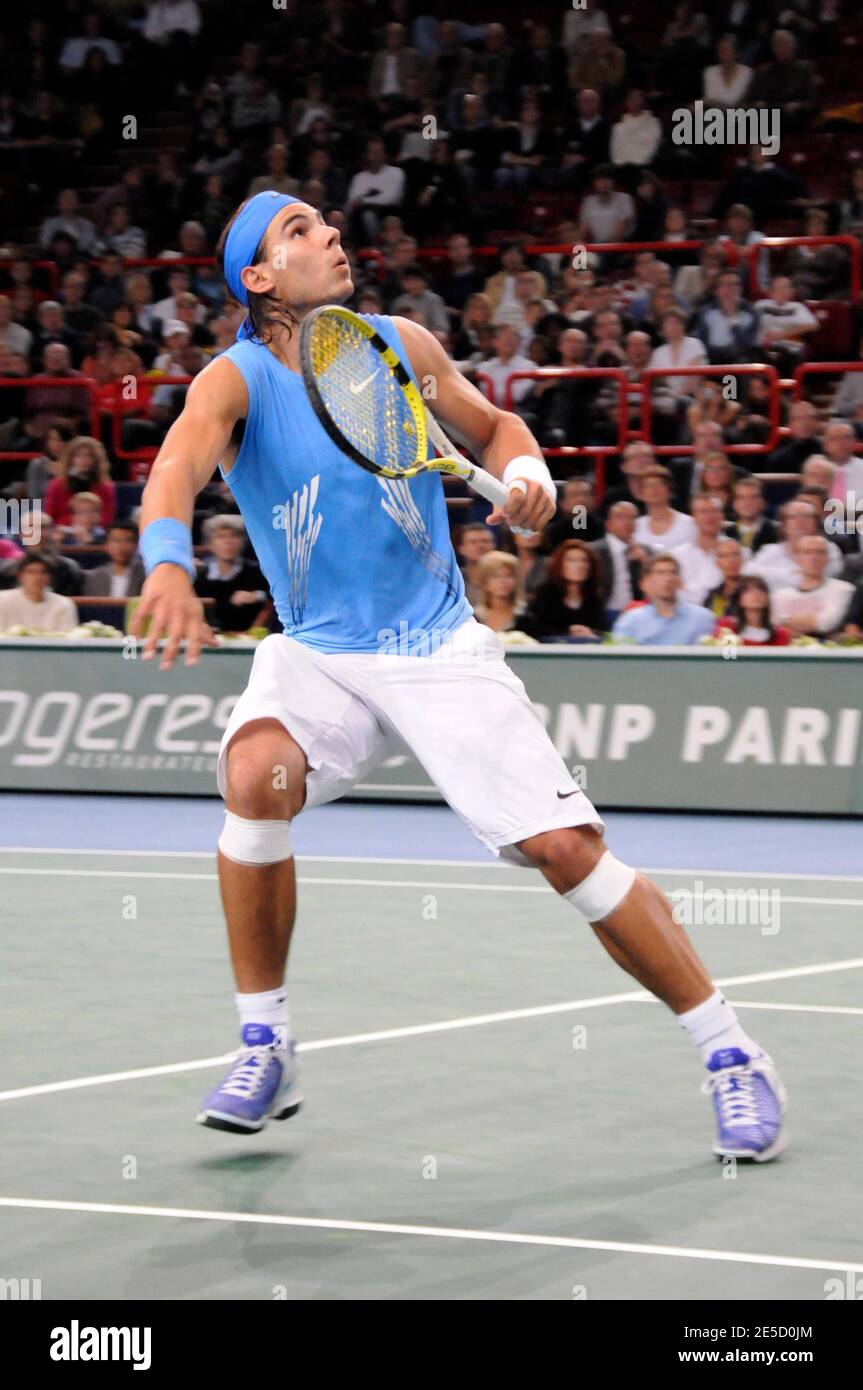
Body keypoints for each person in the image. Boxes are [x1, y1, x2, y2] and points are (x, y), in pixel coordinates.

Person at [130, 190, 787, 1158]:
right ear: (257, 278)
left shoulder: (396, 342)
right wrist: (169, 565)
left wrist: (528, 478)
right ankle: (265, 1040)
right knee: (252, 776)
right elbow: (174, 472)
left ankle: (731, 1052)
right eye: (299, 231)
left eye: (327, 222)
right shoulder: (231, 382)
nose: (331, 236)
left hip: (436, 644)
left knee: (567, 850)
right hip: (320, 650)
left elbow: (495, 431)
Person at [612, 552, 716, 645]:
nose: (668, 579)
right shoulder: (630, 622)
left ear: (680, 581)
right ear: (645, 584)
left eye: (673, 572)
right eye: (660, 573)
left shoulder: (703, 618)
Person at [771, 534, 855, 637]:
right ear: (797, 559)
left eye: (820, 552)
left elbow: (828, 623)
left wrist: (788, 623)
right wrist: (813, 620)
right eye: (807, 552)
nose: (814, 557)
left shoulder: (843, 589)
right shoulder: (780, 595)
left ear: (827, 558)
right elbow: (774, 627)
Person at [194, 515, 268, 632]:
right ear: (210, 544)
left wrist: (257, 596)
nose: (228, 542)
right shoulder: (199, 573)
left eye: (234, 536)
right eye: (221, 537)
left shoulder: (257, 571)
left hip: (248, 639)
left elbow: (273, 598)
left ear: (243, 542)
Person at [522, 539, 606, 640]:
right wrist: (568, 633)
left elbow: (603, 631)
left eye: (584, 560)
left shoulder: (595, 598)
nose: (580, 565)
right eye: (571, 560)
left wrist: (591, 633)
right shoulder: (545, 594)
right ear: (560, 565)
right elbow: (533, 629)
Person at [590, 500, 650, 623]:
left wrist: (645, 562)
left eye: (632, 518)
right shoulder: (593, 551)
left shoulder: (645, 552)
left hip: (635, 616)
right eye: (621, 517)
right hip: (600, 613)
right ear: (608, 524)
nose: (627, 522)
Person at [0, 553, 77, 632]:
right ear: (20, 576)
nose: (38, 577)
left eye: (43, 572)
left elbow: (68, 639)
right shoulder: (2, 600)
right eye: (31, 572)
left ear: (50, 577)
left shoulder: (64, 604)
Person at [714, 575, 792, 646]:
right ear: (739, 599)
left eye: (761, 589)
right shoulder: (727, 627)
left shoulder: (780, 634)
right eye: (748, 590)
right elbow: (727, 657)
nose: (756, 593)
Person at [471, 550, 532, 639]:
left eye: (508, 575)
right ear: (484, 582)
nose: (503, 581)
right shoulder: (473, 618)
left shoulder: (526, 617)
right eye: (496, 576)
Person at [634, 466, 696, 552]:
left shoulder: (690, 523)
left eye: (659, 484)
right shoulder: (635, 526)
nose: (654, 489)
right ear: (641, 494)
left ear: (669, 490)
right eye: (648, 485)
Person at [84, 523, 145, 598]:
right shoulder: (95, 577)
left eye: (128, 540)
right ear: (107, 545)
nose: (122, 546)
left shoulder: (146, 575)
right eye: (116, 540)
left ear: (137, 545)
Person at [704, 536, 745, 618]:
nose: (732, 560)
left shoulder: (749, 592)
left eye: (736, 554)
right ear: (717, 562)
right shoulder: (711, 595)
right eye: (725, 556)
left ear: (742, 559)